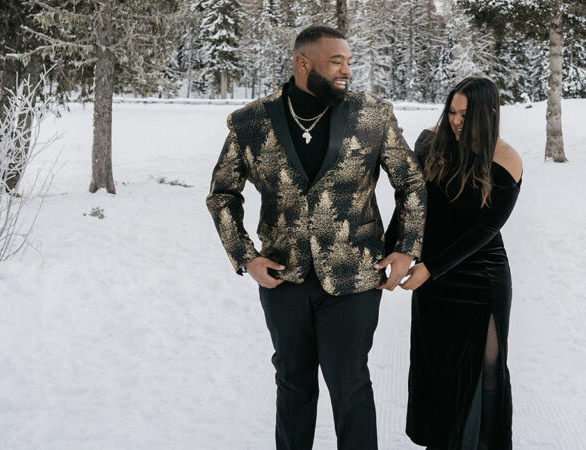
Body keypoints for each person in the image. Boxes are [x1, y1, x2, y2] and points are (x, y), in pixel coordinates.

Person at [206, 24, 426, 450]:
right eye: (336, 61)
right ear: (303, 63)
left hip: (354, 278)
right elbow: (222, 195)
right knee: (293, 383)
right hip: (282, 277)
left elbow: (412, 183)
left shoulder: (372, 115)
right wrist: (245, 256)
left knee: (350, 384)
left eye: (349, 61)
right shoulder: (251, 122)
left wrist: (406, 247)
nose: (347, 70)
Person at [397, 77, 523, 450]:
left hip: (480, 279)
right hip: (434, 283)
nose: (455, 120)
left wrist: (430, 267)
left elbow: (485, 229)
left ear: (489, 113)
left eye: (465, 114)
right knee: (438, 374)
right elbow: (413, 203)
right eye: (452, 111)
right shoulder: (430, 143)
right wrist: (402, 251)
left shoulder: (506, 159)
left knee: (485, 375)